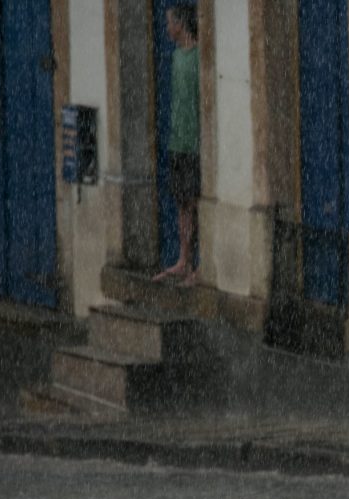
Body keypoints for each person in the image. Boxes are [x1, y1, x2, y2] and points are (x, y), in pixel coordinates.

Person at [152, 4, 200, 287]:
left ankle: (198, 267)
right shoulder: (175, 57)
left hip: (193, 144)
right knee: (182, 202)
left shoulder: (198, 57)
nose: (167, 28)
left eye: (170, 22)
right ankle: (184, 260)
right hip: (177, 142)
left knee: (195, 203)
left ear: (181, 25)